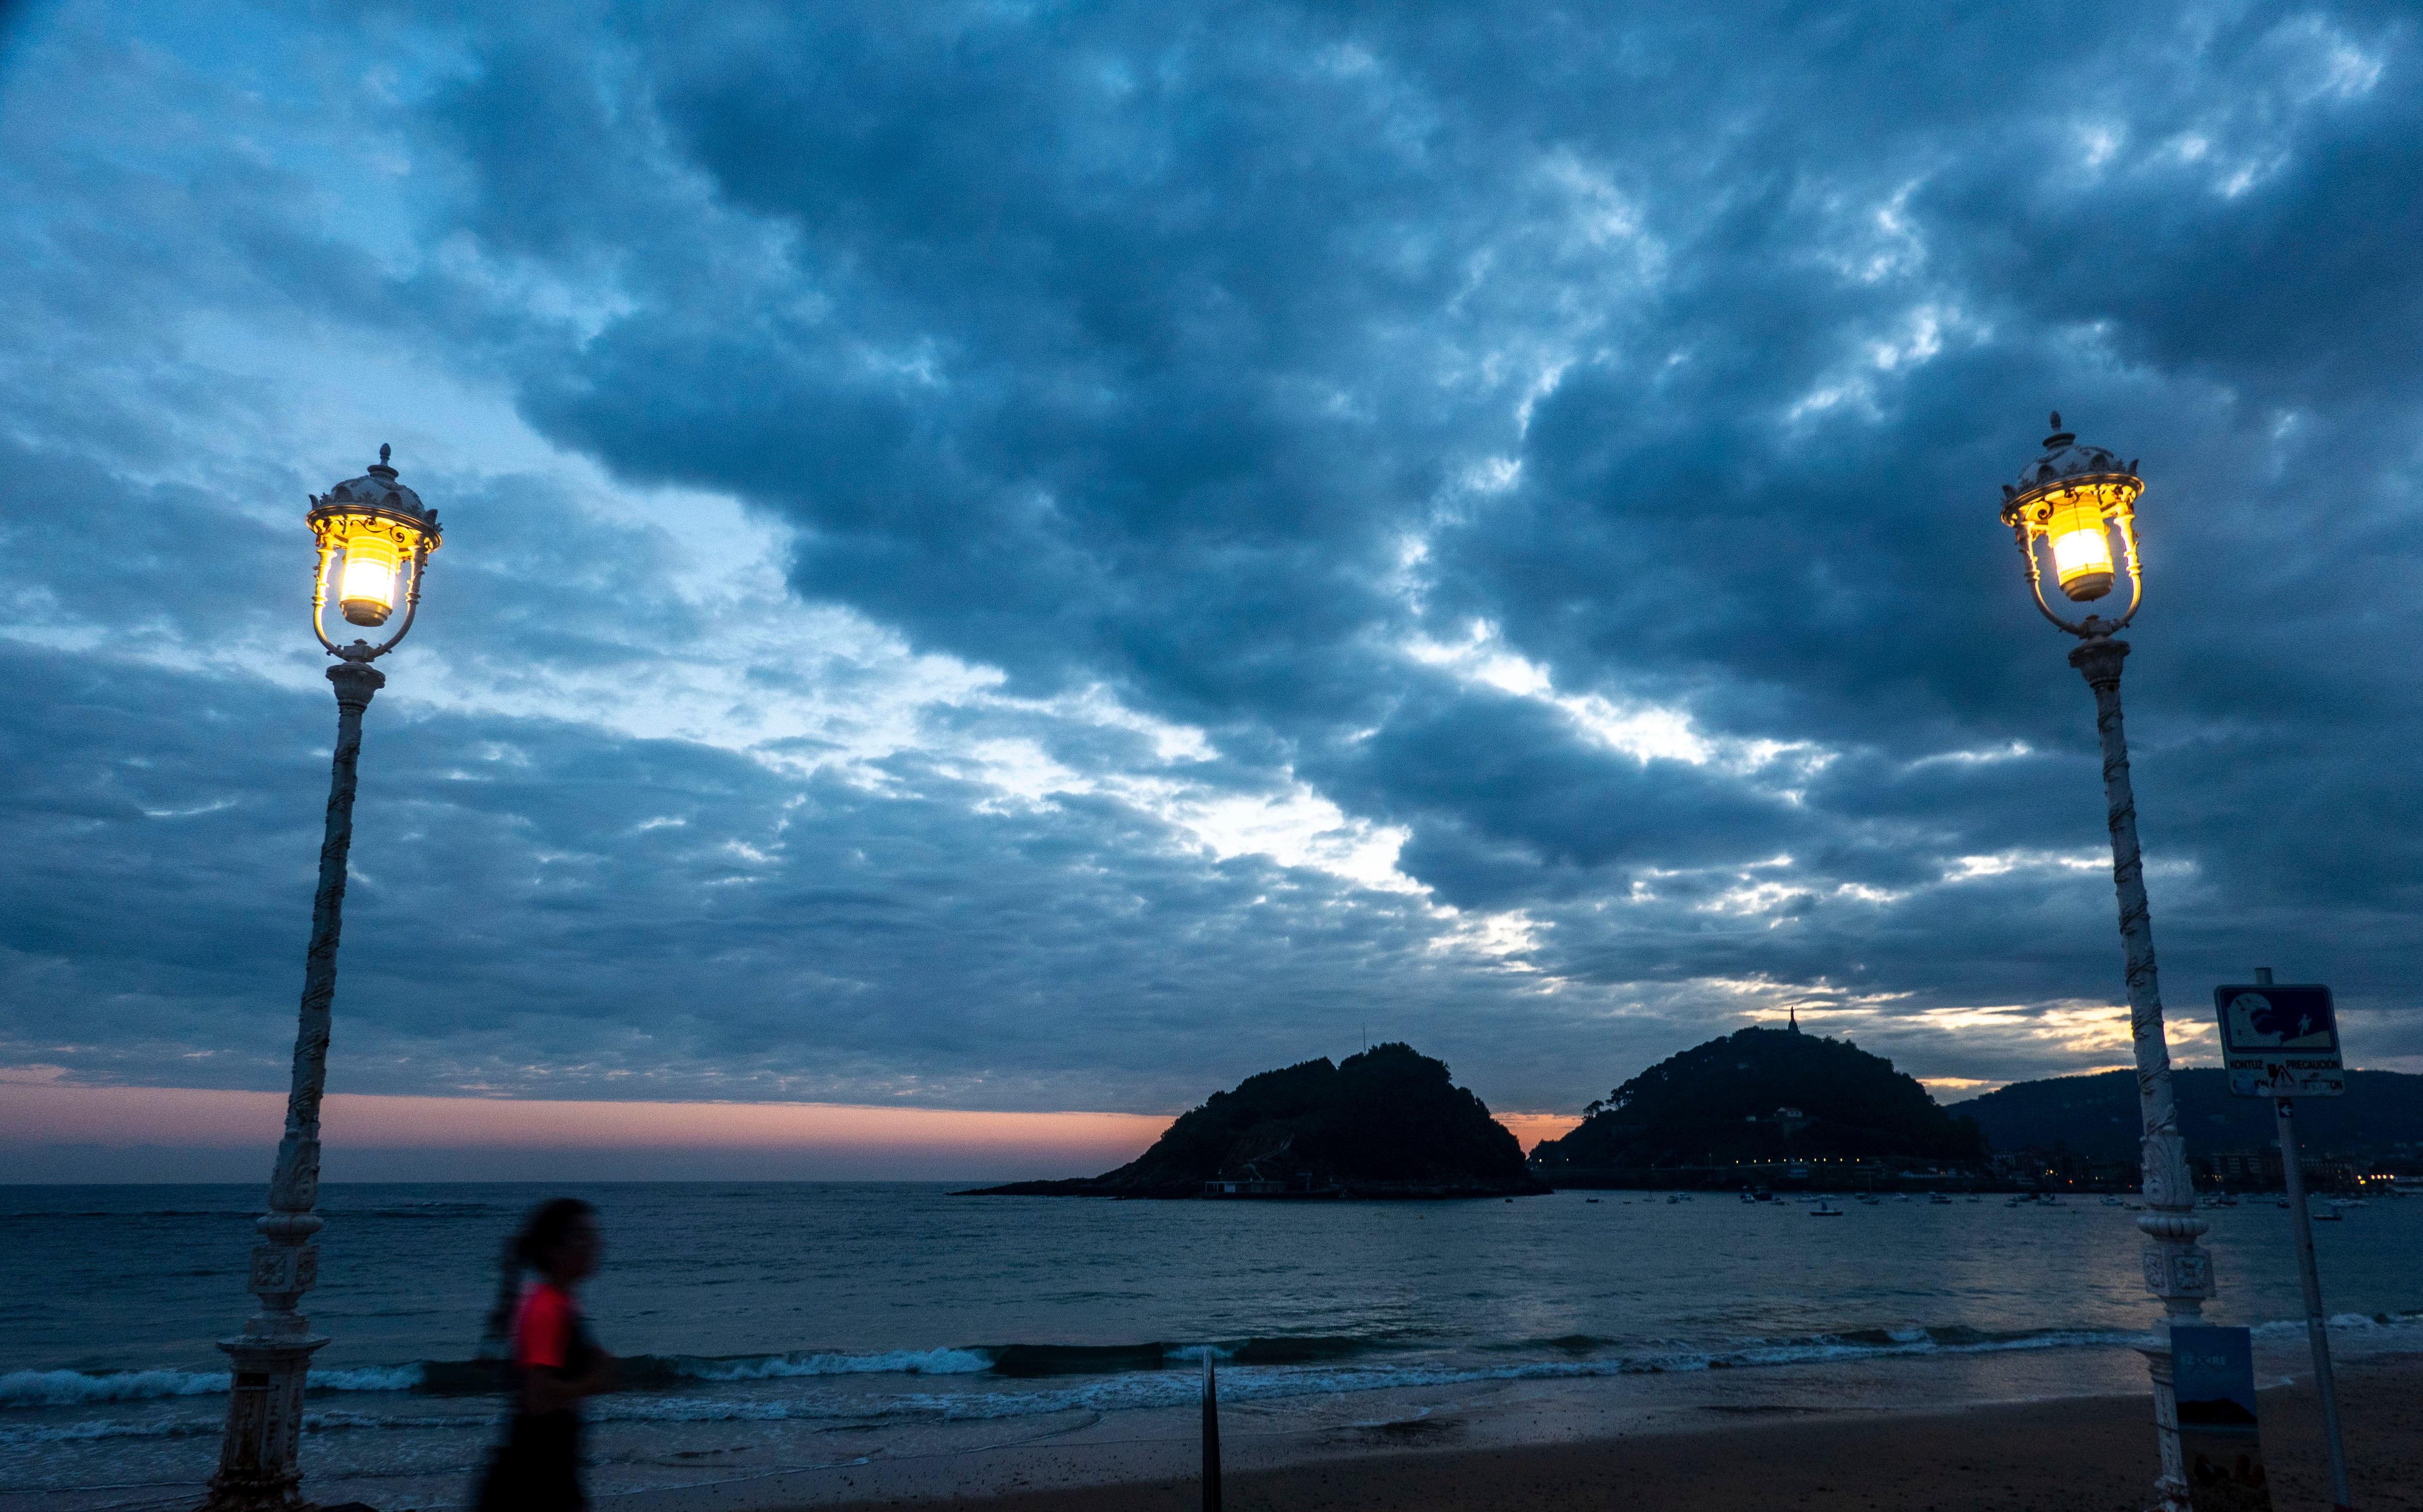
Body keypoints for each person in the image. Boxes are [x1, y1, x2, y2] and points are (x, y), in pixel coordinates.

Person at [476, 1198, 617, 1511]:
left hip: (551, 1470)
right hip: (534, 1481)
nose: (596, 1244)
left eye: (594, 1234)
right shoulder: (546, 1308)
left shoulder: (562, 1305)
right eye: (583, 1235)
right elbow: (537, 1397)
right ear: (554, 1251)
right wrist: (593, 1381)